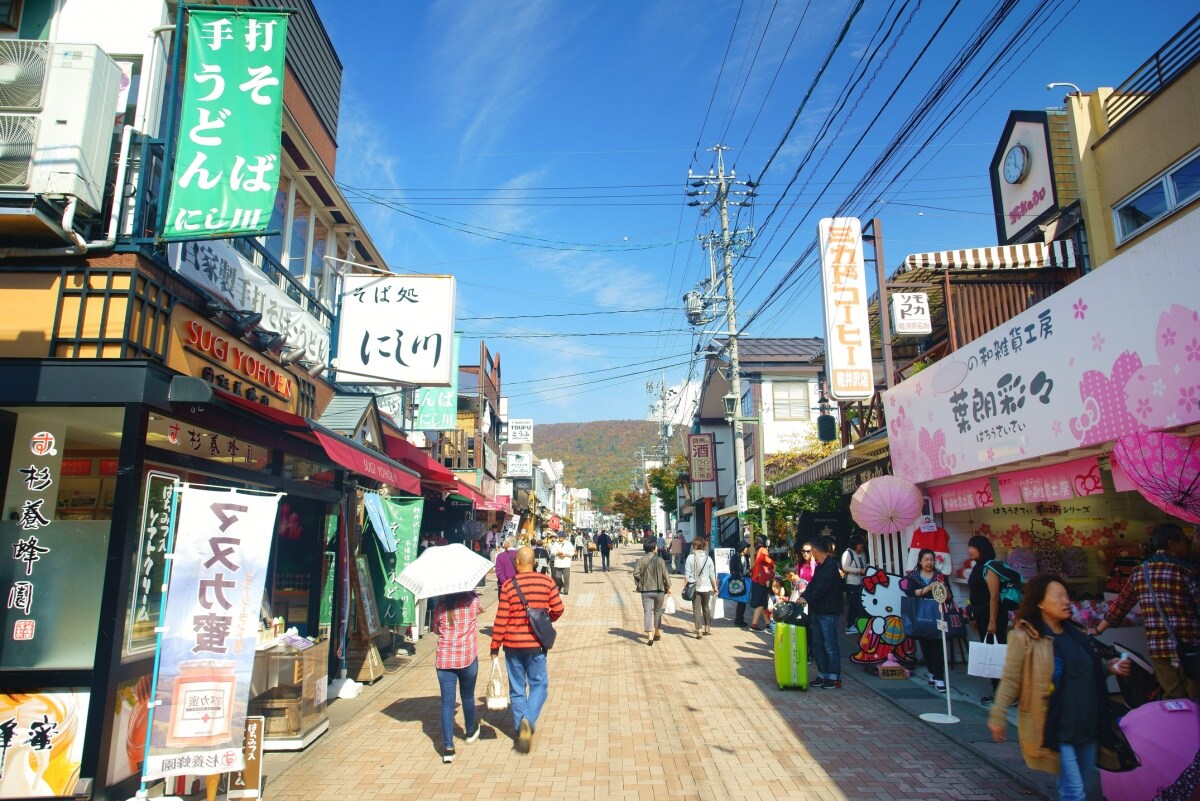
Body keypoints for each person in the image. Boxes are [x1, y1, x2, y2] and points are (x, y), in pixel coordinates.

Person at [989, 575, 1130, 801]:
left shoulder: (1078, 634)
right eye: (1058, 596)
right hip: (1056, 725)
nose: (1066, 601)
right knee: (1074, 792)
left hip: (1088, 724)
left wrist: (1108, 668)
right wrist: (998, 714)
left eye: (1066, 595)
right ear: (1040, 602)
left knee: (1083, 785)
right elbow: (1011, 679)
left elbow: (1082, 670)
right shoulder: (1023, 636)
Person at [1092, 522, 1200, 699]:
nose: (1186, 545)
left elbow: (1122, 604)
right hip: (1189, 645)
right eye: (1184, 541)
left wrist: (1098, 629)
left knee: (1173, 696)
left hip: (1158, 647)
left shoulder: (1140, 571)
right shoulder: (1186, 570)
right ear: (1172, 543)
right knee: (1195, 697)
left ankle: (1175, 726)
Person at [489, 546, 564, 754]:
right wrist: (546, 620)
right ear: (534, 562)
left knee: (517, 688)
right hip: (536, 645)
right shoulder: (547, 581)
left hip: (512, 645)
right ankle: (528, 721)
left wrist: (495, 646)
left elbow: (501, 618)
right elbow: (558, 608)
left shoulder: (508, 586)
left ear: (517, 563)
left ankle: (519, 728)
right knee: (539, 684)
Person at [431, 591, 482, 763]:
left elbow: (435, 630)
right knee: (467, 696)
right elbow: (479, 610)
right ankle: (469, 730)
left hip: (445, 660)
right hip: (468, 658)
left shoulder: (439, 608)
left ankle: (448, 747)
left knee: (446, 702)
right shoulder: (472, 602)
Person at [798, 535, 844, 688]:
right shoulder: (819, 566)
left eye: (811, 550)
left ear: (816, 550)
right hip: (817, 610)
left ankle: (834, 677)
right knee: (817, 644)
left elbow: (821, 588)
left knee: (829, 645)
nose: (810, 553)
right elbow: (813, 585)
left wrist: (808, 598)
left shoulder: (831, 566)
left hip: (829, 611)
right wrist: (803, 596)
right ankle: (822, 674)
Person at [968, 534, 1009, 703]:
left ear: (982, 549)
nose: (970, 551)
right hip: (981, 615)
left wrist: (992, 621)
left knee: (997, 653)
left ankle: (1005, 694)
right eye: (970, 547)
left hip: (993, 615)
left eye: (974, 548)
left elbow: (994, 597)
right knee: (990, 653)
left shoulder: (990, 567)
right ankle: (997, 691)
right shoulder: (978, 566)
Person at [906, 548, 952, 693]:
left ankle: (939, 677)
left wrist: (943, 588)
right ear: (920, 561)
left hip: (938, 615)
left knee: (938, 645)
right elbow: (910, 593)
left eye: (931, 560)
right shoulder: (913, 577)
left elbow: (949, 596)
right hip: (921, 615)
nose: (929, 562)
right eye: (926, 560)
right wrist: (928, 588)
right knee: (925, 645)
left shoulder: (940, 576)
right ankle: (932, 672)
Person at [633, 537, 672, 646]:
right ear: (654, 548)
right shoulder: (660, 560)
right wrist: (668, 587)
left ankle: (649, 636)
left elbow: (636, 574)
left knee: (647, 612)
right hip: (659, 589)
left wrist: (640, 583)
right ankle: (657, 632)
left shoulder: (641, 560)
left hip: (646, 590)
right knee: (658, 612)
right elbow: (666, 575)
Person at [681, 537, 717, 638]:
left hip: (694, 587)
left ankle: (699, 630)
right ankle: (707, 626)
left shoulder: (690, 558)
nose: (692, 547)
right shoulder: (708, 558)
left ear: (695, 546)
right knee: (706, 607)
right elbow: (712, 575)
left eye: (693, 545)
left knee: (696, 609)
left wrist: (685, 584)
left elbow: (687, 573)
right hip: (706, 587)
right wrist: (715, 587)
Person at [840, 535, 867, 633]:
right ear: (855, 544)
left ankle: (855, 624)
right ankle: (850, 625)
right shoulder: (848, 553)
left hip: (860, 582)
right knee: (854, 604)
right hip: (851, 582)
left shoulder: (862, 553)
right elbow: (845, 567)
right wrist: (859, 570)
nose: (862, 546)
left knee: (859, 603)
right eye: (860, 544)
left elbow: (864, 564)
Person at [749, 537, 775, 632]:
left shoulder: (758, 550)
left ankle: (768, 624)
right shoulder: (763, 549)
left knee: (763, 603)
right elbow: (763, 558)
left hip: (757, 580)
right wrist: (773, 563)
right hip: (761, 581)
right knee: (761, 603)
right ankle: (754, 625)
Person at [730, 539, 750, 627]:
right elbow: (732, 570)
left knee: (743, 601)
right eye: (746, 548)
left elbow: (746, 568)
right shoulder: (735, 557)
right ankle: (738, 619)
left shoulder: (746, 557)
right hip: (738, 580)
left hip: (744, 579)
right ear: (742, 548)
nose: (747, 549)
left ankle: (740, 618)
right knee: (740, 601)